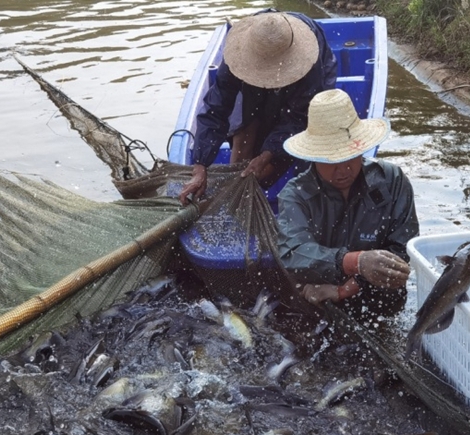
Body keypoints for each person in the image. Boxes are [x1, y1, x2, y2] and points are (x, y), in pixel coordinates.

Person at [277, 89, 419, 317]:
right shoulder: (295, 195)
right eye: (332, 159)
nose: (343, 170)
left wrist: (346, 288)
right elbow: (292, 254)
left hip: (376, 298)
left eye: (349, 156)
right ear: (314, 156)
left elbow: (404, 252)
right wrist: (353, 261)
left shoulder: (391, 180)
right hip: (316, 300)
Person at [179, 9, 337, 205]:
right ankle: (239, 197)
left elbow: (298, 117)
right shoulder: (237, 57)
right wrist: (200, 164)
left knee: (280, 158)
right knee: (243, 149)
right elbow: (216, 108)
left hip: (303, 86)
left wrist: (267, 155)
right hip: (252, 84)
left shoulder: (309, 62)